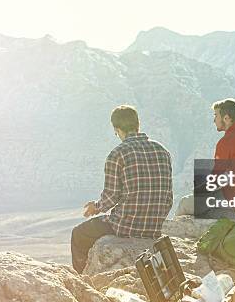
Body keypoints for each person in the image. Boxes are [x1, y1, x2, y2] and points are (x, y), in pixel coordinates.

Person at [71, 105, 172, 274]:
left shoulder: (117, 154)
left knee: (79, 234)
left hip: (126, 226)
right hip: (154, 227)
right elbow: (168, 197)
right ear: (137, 125)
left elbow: (111, 197)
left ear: (117, 129)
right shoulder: (163, 151)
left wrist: (95, 207)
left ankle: (84, 278)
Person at [175, 98, 235, 216]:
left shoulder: (227, 141)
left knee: (184, 203)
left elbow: (215, 179)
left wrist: (198, 190)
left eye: (216, 115)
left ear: (226, 118)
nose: (214, 120)